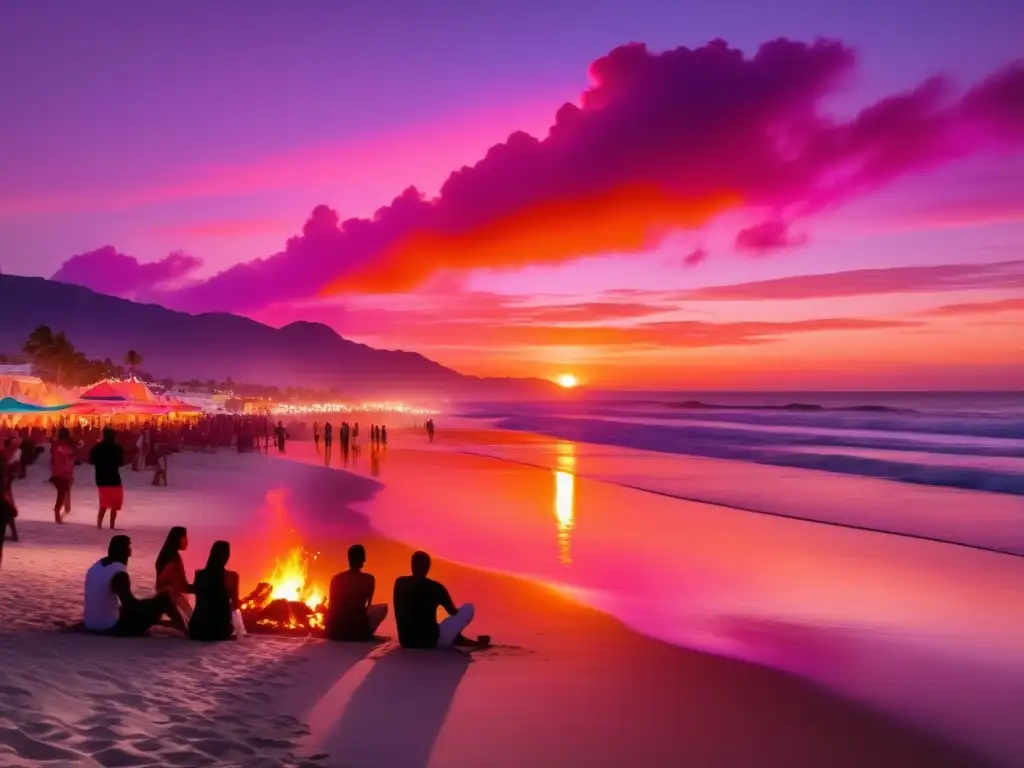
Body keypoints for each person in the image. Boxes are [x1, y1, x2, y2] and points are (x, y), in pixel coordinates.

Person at [83, 535, 187, 636]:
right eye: (129, 547)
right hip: (110, 627)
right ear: (127, 552)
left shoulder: (96, 566)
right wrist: (151, 609)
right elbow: (130, 607)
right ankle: (186, 631)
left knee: (128, 606)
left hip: (90, 624)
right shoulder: (119, 574)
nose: (130, 550)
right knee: (164, 598)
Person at [393, 551, 487, 649]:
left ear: (412, 565)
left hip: (406, 641)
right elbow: (453, 612)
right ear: (427, 567)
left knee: (425, 623)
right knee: (468, 608)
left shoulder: (400, 583)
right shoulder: (436, 588)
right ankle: (466, 641)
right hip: (430, 642)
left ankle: (455, 638)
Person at [325, 544, 388, 642]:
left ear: (349, 559)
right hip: (358, 631)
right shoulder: (369, 579)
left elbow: (331, 605)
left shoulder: (336, 579)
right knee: (382, 608)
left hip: (336, 631)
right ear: (363, 559)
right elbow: (368, 604)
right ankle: (365, 632)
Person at [189, 540, 240, 642]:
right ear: (227, 556)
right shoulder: (232, 576)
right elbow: (235, 605)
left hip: (196, 630)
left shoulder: (199, 574)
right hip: (219, 631)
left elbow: (199, 594)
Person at [89, 427, 125, 530]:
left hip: (101, 478)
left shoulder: (98, 447)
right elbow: (121, 462)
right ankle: (112, 525)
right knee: (114, 504)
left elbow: (91, 460)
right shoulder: (118, 447)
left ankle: (99, 524)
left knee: (103, 503)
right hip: (114, 478)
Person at [155, 526, 193, 623]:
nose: (187, 541)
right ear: (178, 539)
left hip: (171, 595)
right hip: (169, 596)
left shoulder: (170, 555)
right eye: (185, 538)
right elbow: (162, 580)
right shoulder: (172, 559)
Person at [50, 427, 75, 523]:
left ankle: (59, 514)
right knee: (62, 494)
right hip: (63, 473)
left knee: (62, 494)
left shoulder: (58, 445)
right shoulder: (61, 446)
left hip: (62, 472)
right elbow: (67, 458)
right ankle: (58, 515)